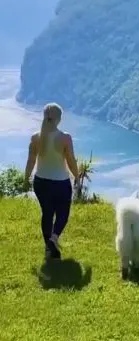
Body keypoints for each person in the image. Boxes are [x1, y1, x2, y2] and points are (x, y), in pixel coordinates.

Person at [24, 103, 79, 260]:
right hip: (60, 183)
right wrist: (76, 176)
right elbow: (71, 160)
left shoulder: (35, 138)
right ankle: (54, 239)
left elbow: (31, 161)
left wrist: (26, 178)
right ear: (59, 119)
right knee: (63, 214)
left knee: (47, 214)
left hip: (40, 182)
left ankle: (49, 249)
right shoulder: (65, 138)